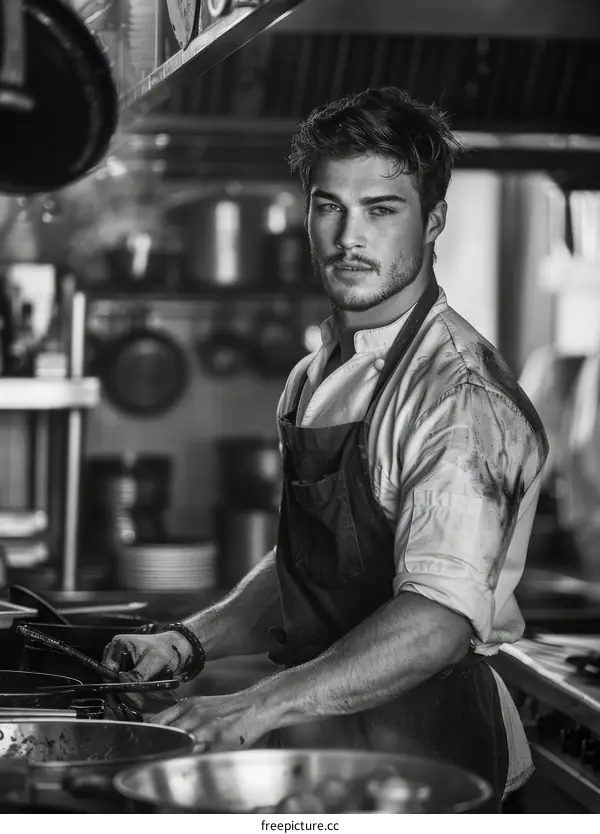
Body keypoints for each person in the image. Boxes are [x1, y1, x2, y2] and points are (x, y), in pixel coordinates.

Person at [104, 87, 548, 812]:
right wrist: (186, 641)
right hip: (325, 760)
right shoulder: (317, 371)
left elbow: (436, 623)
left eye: (381, 208)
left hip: (432, 773)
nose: (349, 237)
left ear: (433, 221)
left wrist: (252, 705)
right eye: (328, 205)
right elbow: (315, 566)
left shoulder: (460, 398)